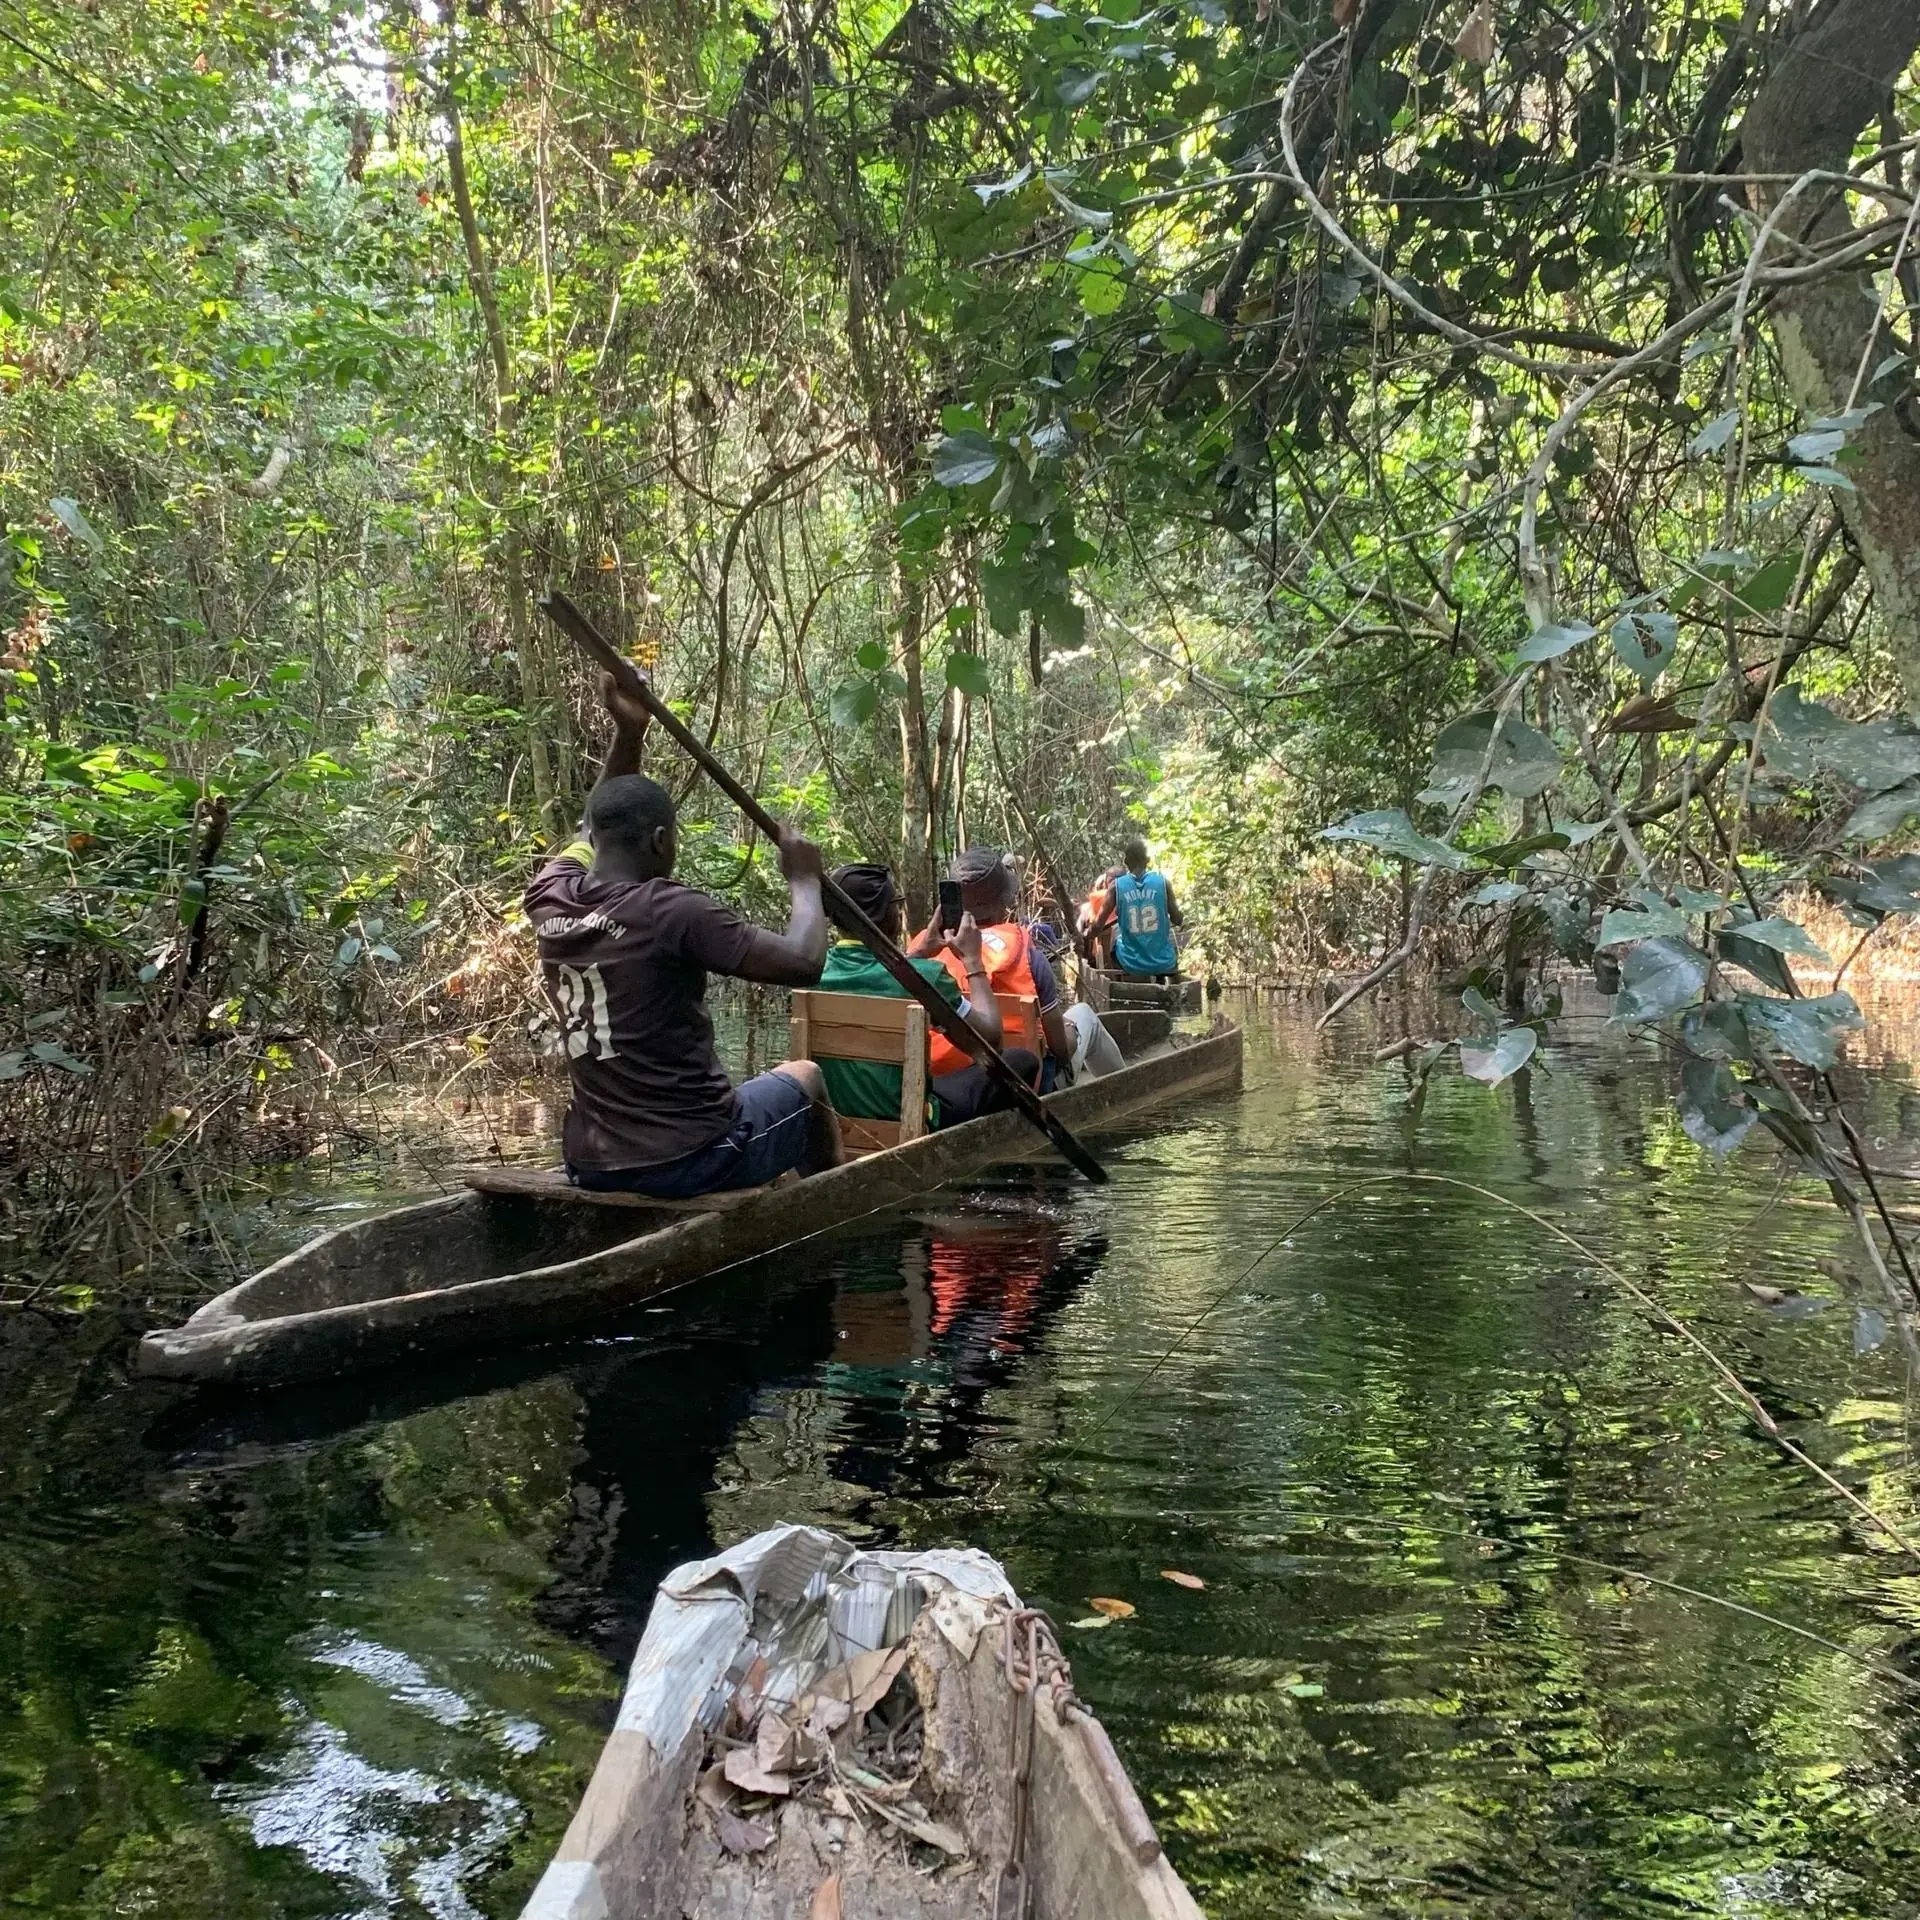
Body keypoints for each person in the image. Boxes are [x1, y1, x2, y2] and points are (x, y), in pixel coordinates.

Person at [524, 669, 842, 1199]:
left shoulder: (549, 893)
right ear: (660, 841)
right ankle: (828, 1212)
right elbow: (804, 962)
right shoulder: (668, 910)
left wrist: (629, 732)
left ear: (596, 840)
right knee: (805, 1077)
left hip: (591, 1163)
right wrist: (804, 881)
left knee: (763, 1091)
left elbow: (594, 820)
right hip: (692, 1159)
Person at [816, 863, 1042, 1127]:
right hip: (909, 1116)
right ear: (888, 914)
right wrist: (973, 961)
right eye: (896, 903)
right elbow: (990, 1043)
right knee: (1020, 1061)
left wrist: (918, 953)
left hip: (833, 1120)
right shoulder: (924, 977)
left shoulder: (813, 972)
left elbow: (874, 975)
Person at [925, 845, 1079, 1088]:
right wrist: (1072, 1033)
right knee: (1083, 1017)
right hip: (1023, 1085)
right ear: (1001, 904)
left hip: (943, 1083)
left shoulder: (921, 957)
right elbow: (1060, 1050)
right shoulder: (1029, 957)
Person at [1094, 837, 1183, 980]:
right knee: (1168, 944)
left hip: (1130, 963)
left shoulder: (1116, 887)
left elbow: (1098, 926)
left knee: (1115, 938)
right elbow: (1177, 920)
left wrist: (1084, 936)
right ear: (1147, 860)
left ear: (1126, 862)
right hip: (1163, 962)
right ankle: (1163, 980)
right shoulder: (1163, 882)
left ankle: (1118, 981)